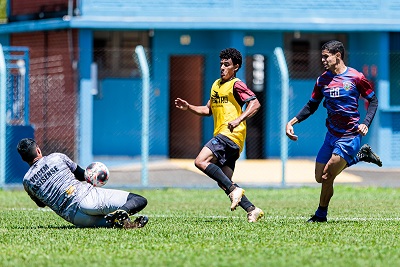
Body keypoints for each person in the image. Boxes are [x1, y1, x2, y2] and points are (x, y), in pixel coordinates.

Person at [285, 40, 382, 223]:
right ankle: (360, 156)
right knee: (319, 177)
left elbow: (373, 101)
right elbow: (312, 105)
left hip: (349, 136)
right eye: (322, 56)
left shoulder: (356, 77)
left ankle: (320, 215)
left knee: (328, 174)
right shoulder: (322, 80)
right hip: (331, 136)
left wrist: (366, 123)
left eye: (325, 56)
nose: (322, 60)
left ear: (337, 55)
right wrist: (293, 121)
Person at [174, 48, 264, 222]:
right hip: (229, 139)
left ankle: (235, 190)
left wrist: (239, 119)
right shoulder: (216, 85)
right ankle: (252, 209)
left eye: (227, 64)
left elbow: (255, 103)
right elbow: (208, 109)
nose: (222, 67)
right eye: (221, 64)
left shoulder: (237, 84)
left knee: (200, 161)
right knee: (224, 181)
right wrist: (189, 107)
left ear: (236, 67)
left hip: (230, 134)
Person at [17, 138, 149, 229]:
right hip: (86, 198)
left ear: (23, 159)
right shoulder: (56, 157)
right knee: (138, 199)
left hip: (76, 218)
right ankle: (123, 211)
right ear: (38, 150)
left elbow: (41, 204)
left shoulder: (27, 181)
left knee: (113, 222)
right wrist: (94, 175)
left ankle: (125, 223)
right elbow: (82, 174)